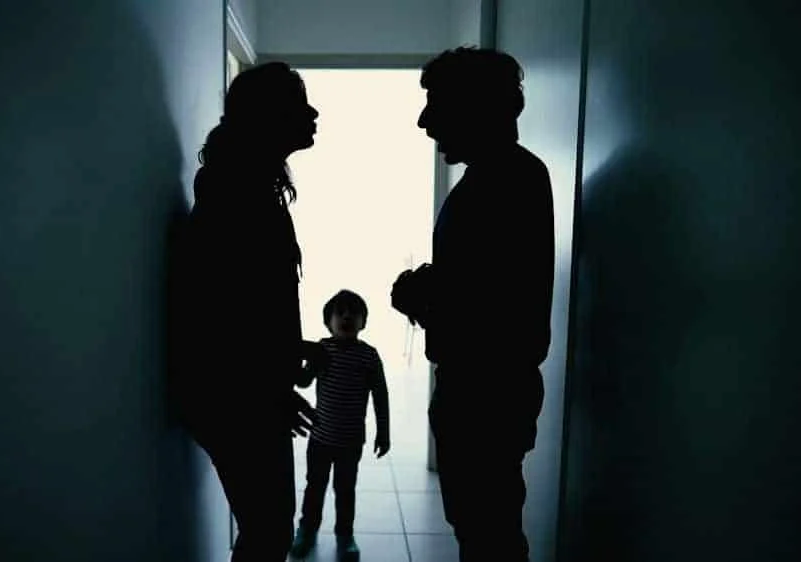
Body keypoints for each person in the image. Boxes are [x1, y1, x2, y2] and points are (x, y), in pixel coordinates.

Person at [390, 47, 554, 562]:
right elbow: (490, 283)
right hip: (489, 394)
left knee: (488, 537)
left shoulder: (504, 182)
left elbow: (493, 313)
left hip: (485, 396)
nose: (424, 120)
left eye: (435, 103)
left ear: (474, 108)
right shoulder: (506, 177)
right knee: (485, 530)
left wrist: (419, 296)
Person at [170, 61, 323, 562]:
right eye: (299, 104)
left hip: (240, 395)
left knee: (267, 531)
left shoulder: (244, 190)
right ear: (270, 118)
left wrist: (290, 353)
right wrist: (273, 392)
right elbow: (226, 317)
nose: (313, 112)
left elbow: (245, 305)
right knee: (269, 534)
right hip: (239, 399)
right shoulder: (239, 198)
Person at [289, 290, 390, 561]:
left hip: (350, 441)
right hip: (320, 438)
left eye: (353, 312)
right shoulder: (322, 349)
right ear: (328, 321)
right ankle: (306, 531)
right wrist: (297, 353)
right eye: (340, 312)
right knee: (315, 487)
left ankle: (345, 535)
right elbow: (303, 381)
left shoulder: (368, 356)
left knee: (345, 491)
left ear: (363, 321)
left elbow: (380, 395)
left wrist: (384, 431)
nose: (347, 316)